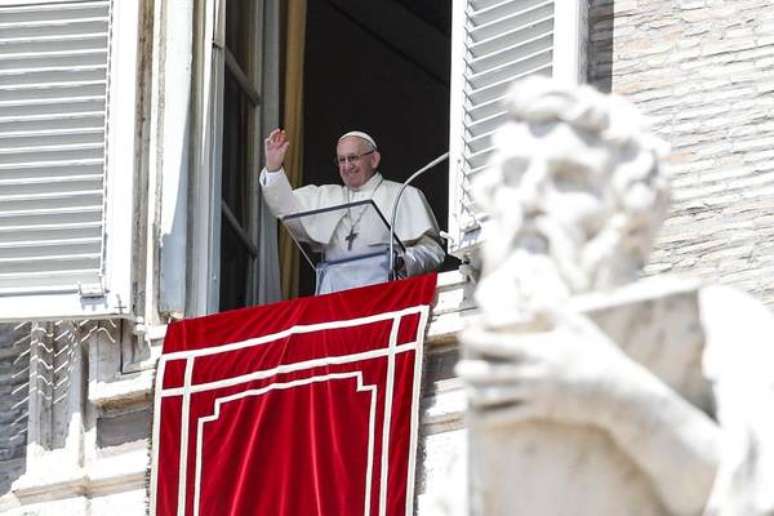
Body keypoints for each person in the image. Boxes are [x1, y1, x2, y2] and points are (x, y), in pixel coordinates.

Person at [438, 77, 774, 516]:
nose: (531, 201)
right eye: (515, 179)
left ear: (632, 208)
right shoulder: (504, 381)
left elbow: (756, 498)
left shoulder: (724, 326)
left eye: (566, 177)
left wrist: (613, 395)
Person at [259, 128, 444, 294]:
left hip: (383, 295)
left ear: (374, 159)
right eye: (341, 160)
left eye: (353, 158)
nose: (347, 166)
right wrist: (274, 168)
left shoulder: (403, 194)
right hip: (334, 298)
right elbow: (285, 207)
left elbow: (433, 250)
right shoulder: (325, 196)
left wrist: (405, 261)